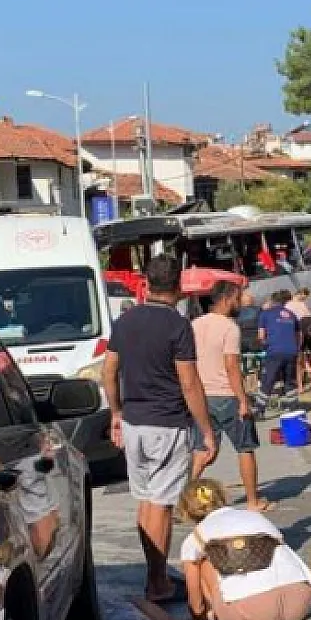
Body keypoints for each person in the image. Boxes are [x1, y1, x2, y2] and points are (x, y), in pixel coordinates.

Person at [104, 254, 218, 602]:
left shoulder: (125, 322)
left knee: (145, 502)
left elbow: (108, 372)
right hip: (166, 423)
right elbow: (189, 383)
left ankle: (154, 573)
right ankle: (157, 582)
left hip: (134, 422)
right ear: (180, 287)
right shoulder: (177, 325)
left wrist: (115, 413)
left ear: (145, 282)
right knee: (162, 505)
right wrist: (207, 431)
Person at [179, 480, 311, 620]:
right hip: (299, 603)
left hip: (251, 614)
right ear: (222, 497)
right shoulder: (255, 517)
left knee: (202, 563)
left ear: (187, 511)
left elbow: (196, 604)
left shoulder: (196, 537)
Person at [191, 280, 272, 513]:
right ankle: (252, 501)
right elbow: (231, 366)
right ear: (226, 299)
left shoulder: (195, 324)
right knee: (245, 448)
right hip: (227, 394)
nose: (239, 303)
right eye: (237, 298)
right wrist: (244, 400)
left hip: (202, 396)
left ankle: (185, 498)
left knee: (203, 449)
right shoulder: (229, 328)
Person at [257, 290, 300, 404]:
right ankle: (293, 407)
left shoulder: (265, 314)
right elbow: (298, 335)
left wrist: (266, 345)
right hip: (291, 351)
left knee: (268, 380)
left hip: (274, 351)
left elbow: (261, 336)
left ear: (272, 301)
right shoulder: (292, 315)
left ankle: (259, 409)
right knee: (289, 381)